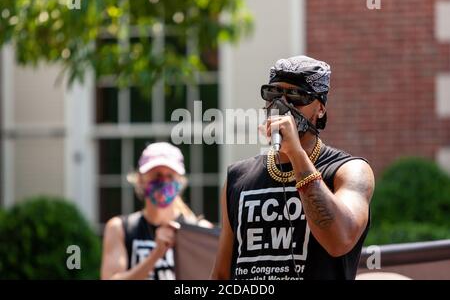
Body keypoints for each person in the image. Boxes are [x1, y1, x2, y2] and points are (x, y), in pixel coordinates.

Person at [211, 55, 375, 280]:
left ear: (320, 109)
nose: (282, 105)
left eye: (297, 96)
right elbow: (222, 274)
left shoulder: (348, 170)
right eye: (273, 94)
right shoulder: (237, 177)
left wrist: (296, 154)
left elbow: (340, 240)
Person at [101, 142, 211, 280]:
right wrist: (156, 254)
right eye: (157, 175)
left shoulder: (197, 229)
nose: (163, 182)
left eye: (170, 176)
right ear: (140, 180)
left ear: (180, 182)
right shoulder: (120, 228)